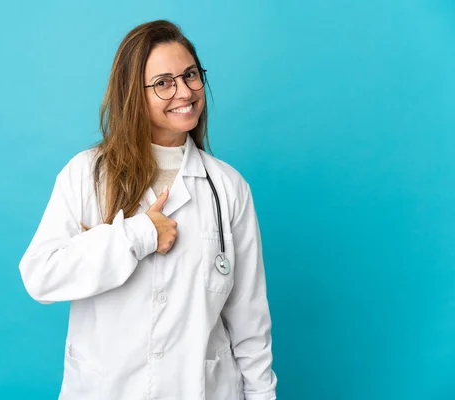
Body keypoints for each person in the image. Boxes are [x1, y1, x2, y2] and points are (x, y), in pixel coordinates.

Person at [19, 19, 277, 400]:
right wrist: (137, 235)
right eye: (163, 83)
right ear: (132, 95)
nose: (184, 91)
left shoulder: (228, 188)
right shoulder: (87, 174)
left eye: (190, 75)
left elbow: (250, 324)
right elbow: (41, 275)